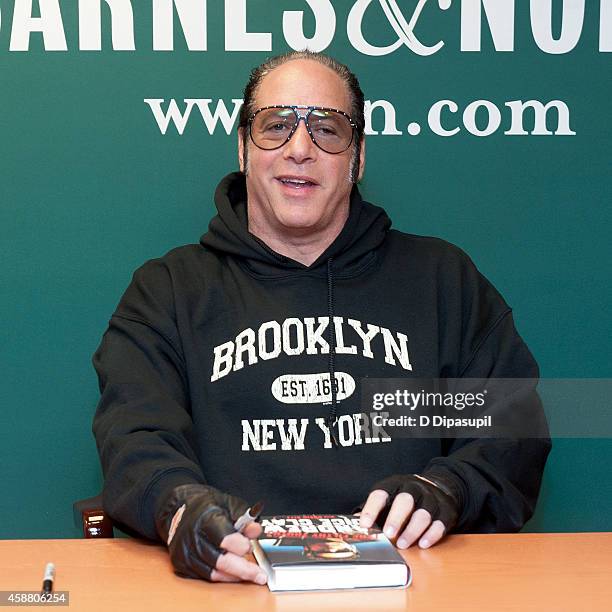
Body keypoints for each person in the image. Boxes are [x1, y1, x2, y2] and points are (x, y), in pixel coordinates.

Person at [92, 51, 551, 585]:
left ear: (357, 158)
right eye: (276, 126)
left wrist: (450, 489)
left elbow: (510, 431)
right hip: (236, 583)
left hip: (415, 584)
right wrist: (179, 506)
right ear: (242, 148)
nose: (300, 149)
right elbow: (134, 436)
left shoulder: (441, 281)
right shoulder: (167, 291)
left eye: (328, 130)